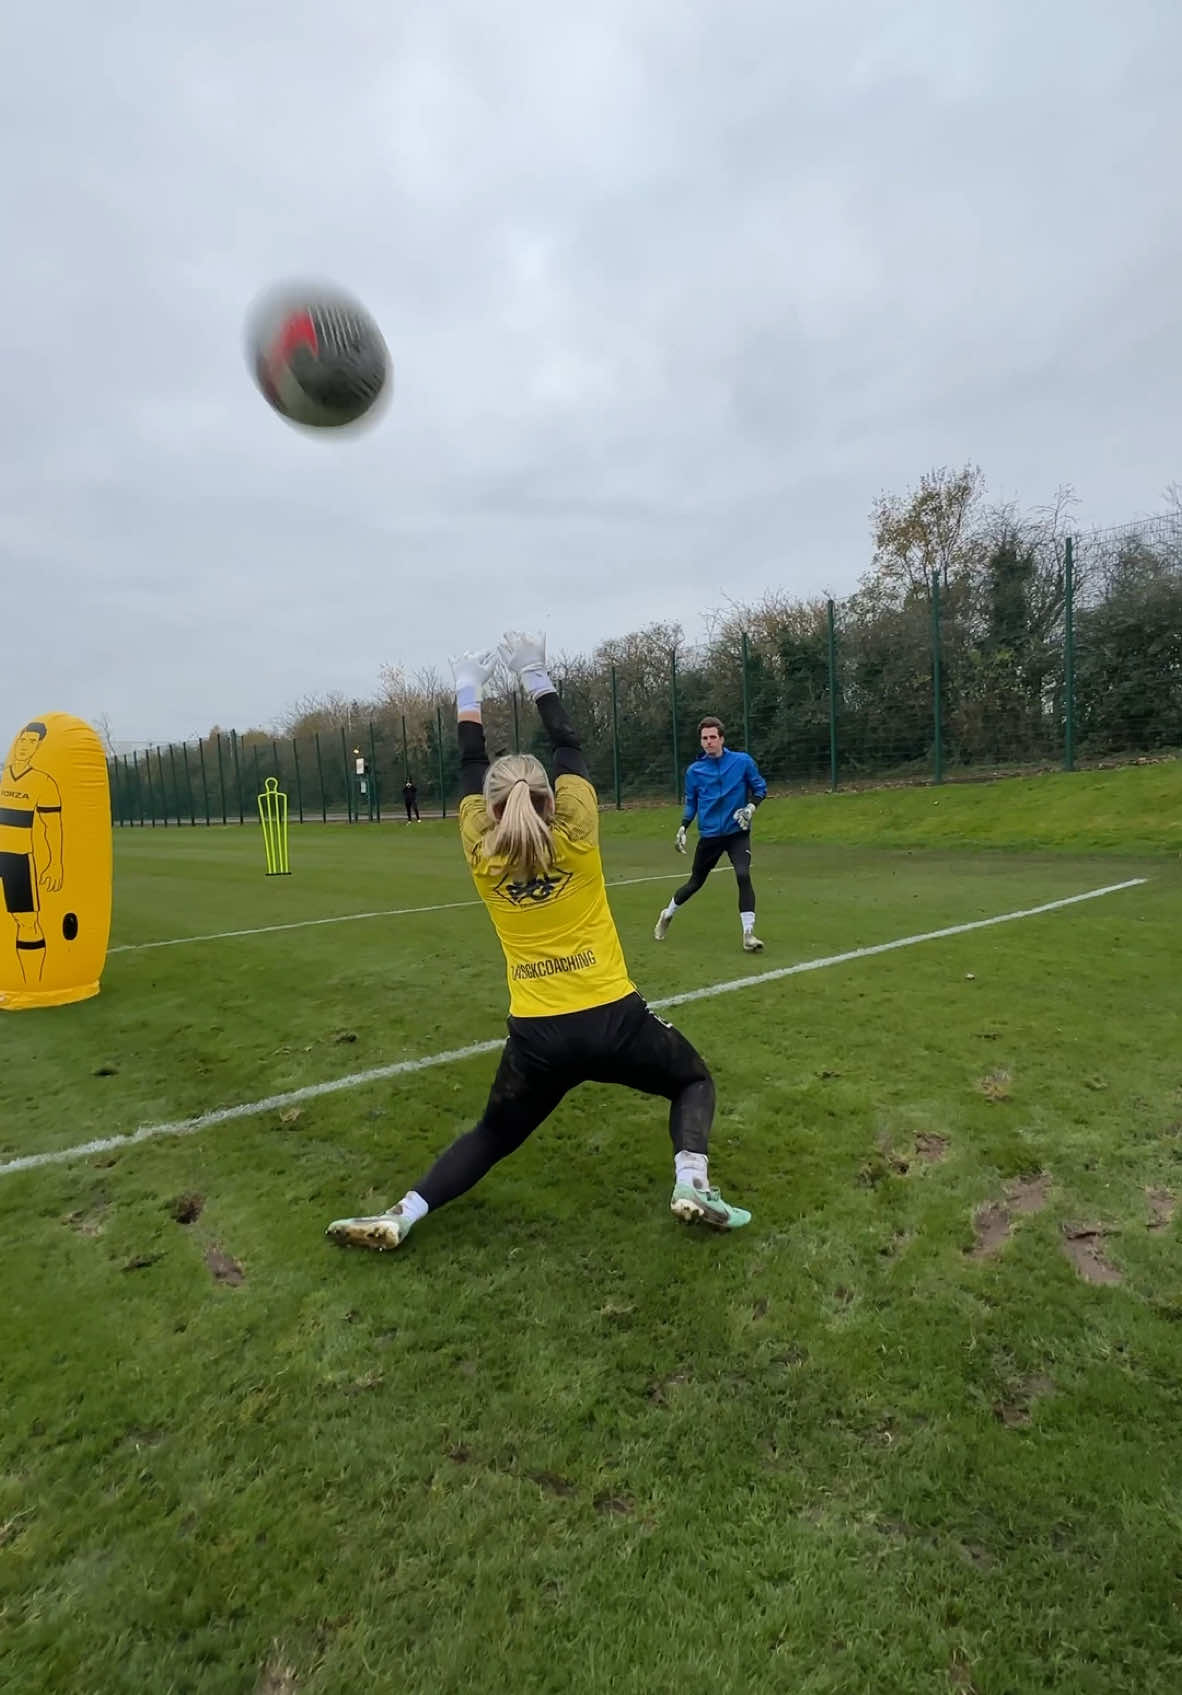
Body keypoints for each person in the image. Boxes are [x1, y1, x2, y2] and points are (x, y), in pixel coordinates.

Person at [327, 631, 750, 1252]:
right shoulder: (576, 831)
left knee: (493, 1134)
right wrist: (534, 671)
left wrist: (468, 687)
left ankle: (404, 1213)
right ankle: (691, 1184)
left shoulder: (480, 850)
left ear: (492, 808)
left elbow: (471, 769)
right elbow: (568, 744)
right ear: (550, 798)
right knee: (692, 1081)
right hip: (612, 1018)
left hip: (537, 1036)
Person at [654, 716, 767, 952]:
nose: (708, 742)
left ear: (722, 739)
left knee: (743, 875)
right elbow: (692, 803)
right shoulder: (695, 771)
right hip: (710, 836)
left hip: (737, 832)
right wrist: (683, 827)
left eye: (713, 737)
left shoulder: (742, 762)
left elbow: (759, 788)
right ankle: (667, 914)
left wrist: (750, 808)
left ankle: (748, 934)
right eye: (704, 738)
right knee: (695, 883)